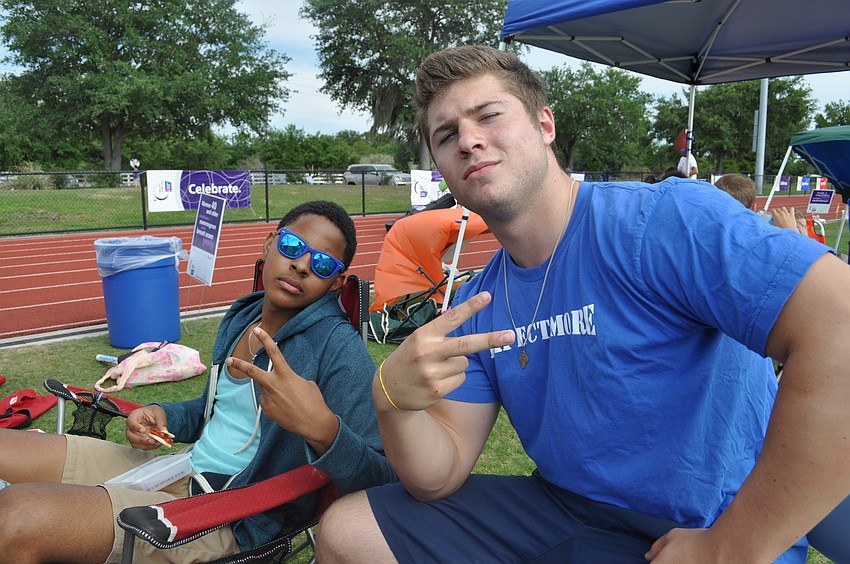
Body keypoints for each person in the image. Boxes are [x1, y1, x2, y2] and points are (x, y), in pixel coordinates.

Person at [315, 45, 850, 563]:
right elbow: (441, 471)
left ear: (545, 125)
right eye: (447, 134)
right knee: (347, 529)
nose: (469, 141)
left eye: (488, 116)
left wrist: (731, 547)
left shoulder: (663, 221)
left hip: (704, 527)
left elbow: (840, 325)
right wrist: (392, 401)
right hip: (566, 510)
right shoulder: (477, 300)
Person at [0, 200, 396, 563]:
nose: (302, 265)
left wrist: (324, 432)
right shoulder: (244, 315)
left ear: (336, 283)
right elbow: (216, 410)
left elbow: (384, 479)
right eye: (293, 246)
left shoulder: (338, 350)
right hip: (176, 469)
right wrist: (163, 413)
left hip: (228, 516)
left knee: (18, 519)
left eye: (323, 264)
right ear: (270, 243)